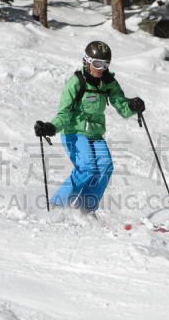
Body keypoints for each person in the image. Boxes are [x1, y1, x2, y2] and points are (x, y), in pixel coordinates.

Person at [35, 41, 145, 212]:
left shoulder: (108, 82)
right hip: (74, 132)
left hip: (95, 135)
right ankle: (57, 205)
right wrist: (51, 127)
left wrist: (132, 105)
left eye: (105, 64)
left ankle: (85, 209)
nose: (101, 68)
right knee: (87, 166)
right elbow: (64, 114)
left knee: (105, 166)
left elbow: (122, 108)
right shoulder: (75, 83)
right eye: (97, 64)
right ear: (87, 61)